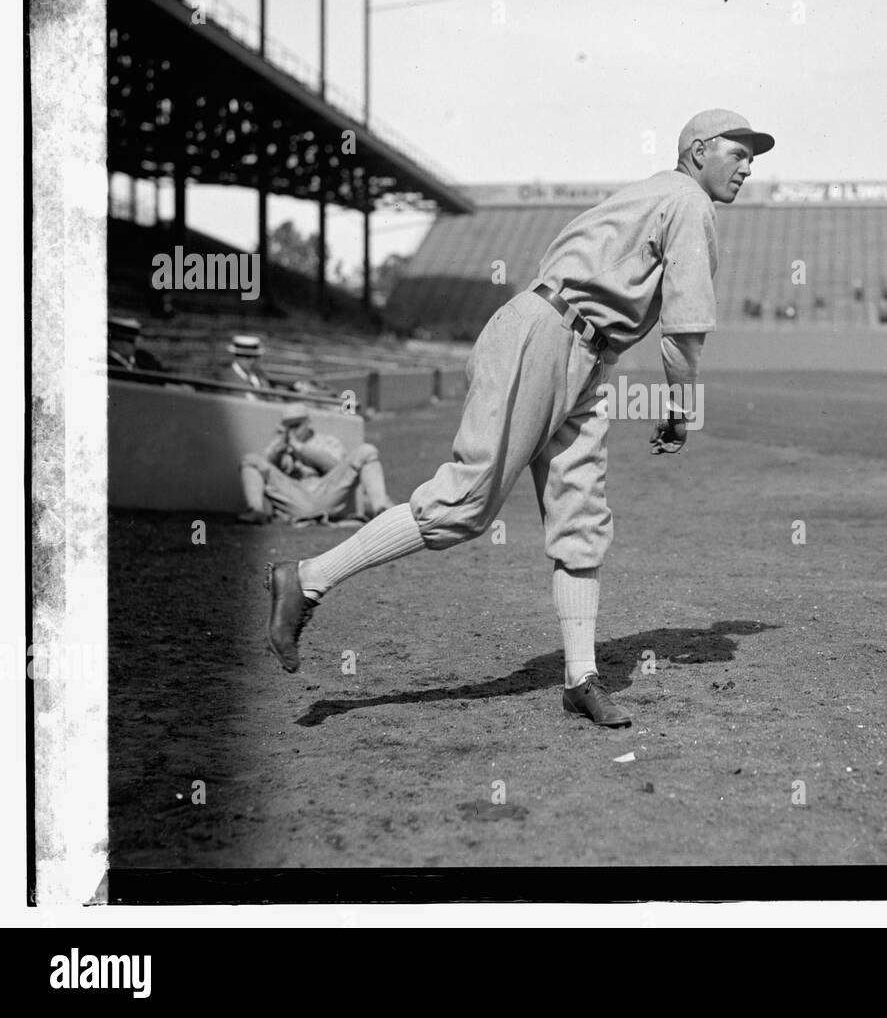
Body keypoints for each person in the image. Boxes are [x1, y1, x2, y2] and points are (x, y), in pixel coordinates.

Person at [264, 108, 774, 728]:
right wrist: (680, 408)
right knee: (466, 503)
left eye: (754, 156)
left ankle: (580, 677)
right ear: (698, 151)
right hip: (546, 336)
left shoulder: (653, 194)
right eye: (738, 152)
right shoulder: (688, 202)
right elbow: (685, 327)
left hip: (583, 353)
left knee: (581, 515)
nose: (748, 166)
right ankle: (308, 578)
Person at [239, 402, 394, 526]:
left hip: (327, 492)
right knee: (250, 459)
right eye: (289, 425)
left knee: (367, 450)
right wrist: (279, 450)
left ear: (308, 422)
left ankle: (381, 510)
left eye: (297, 424)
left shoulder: (326, 441)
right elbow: (268, 473)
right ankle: (256, 511)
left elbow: (335, 466)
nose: (293, 430)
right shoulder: (280, 445)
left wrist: (300, 448)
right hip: (296, 496)